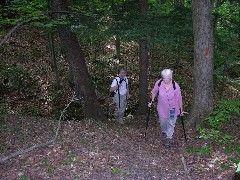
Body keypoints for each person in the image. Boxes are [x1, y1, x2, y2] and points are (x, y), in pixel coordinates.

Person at [148, 69, 183, 148]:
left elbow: (179, 98)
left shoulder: (175, 86)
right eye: (163, 78)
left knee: (171, 123)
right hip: (162, 108)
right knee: (163, 122)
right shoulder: (159, 83)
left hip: (172, 108)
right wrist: (152, 100)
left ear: (170, 77)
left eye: (167, 78)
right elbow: (154, 92)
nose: (165, 79)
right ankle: (164, 132)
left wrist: (181, 109)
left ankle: (169, 138)